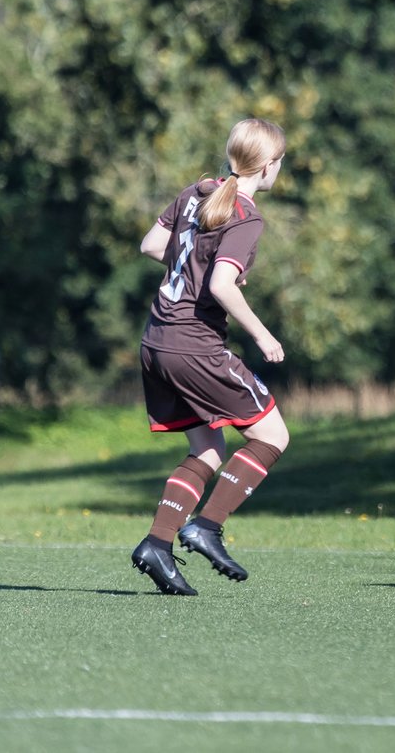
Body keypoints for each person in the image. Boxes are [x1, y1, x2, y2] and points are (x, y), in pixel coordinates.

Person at [130, 118, 292, 596]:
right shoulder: (245, 214)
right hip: (194, 346)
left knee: (206, 450)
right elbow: (221, 284)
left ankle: (158, 544)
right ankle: (207, 527)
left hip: (156, 342)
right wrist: (263, 335)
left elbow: (152, 245)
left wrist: (197, 265)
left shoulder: (195, 192)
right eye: (280, 162)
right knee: (272, 434)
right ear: (267, 166)